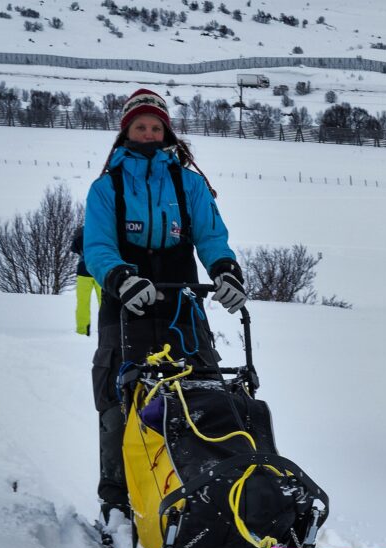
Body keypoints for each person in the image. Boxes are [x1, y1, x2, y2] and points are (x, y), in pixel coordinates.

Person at [81, 88, 247, 523]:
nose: (150, 133)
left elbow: (212, 236)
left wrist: (226, 272)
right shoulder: (106, 188)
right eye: (141, 126)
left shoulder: (188, 183)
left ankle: (218, 487)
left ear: (167, 131)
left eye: (157, 127)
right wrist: (121, 278)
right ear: (126, 131)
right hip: (125, 303)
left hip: (181, 302)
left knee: (204, 389)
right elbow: (98, 246)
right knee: (121, 398)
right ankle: (117, 499)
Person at [71, 224, 96, 337]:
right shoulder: (101, 227)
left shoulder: (80, 231)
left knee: (83, 302)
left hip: (83, 269)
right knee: (105, 302)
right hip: (99, 269)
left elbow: (73, 248)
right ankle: (106, 330)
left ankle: (82, 330)